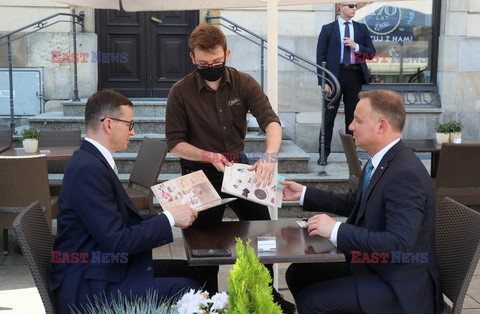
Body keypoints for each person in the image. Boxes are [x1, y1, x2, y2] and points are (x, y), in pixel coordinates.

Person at [165, 24, 295, 313]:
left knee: (263, 235)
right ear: (192, 59)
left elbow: (271, 122)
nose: (210, 68)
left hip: (240, 169)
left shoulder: (244, 83)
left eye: (216, 62)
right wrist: (208, 155)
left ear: (227, 53)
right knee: (203, 245)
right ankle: (207, 301)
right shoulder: (180, 92)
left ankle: (266, 294)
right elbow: (175, 143)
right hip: (198, 173)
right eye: (203, 64)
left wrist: (270, 157)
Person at [282, 89, 443, 313]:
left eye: (358, 120)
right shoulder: (380, 160)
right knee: (298, 274)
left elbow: (399, 244)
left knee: (311, 301)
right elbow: (355, 203)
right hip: (374, 265)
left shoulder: (406, 174)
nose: (350, 126)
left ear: (381, 126)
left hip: (399, 286)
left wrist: (336, 229)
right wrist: (305, 194)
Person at [48, 90, 200, 313]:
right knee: (188, 289)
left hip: (99, 268)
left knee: (191, 270)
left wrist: (170, 217)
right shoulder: (88, 169)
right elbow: (117, 242)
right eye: (130, 124)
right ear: (108, 125)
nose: (134, 131)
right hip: (89, 288)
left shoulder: (92, 160)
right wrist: (169, 219)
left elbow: (117, 224)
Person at [316, 3, 376, 165]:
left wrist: (356, 46)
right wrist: (324, 82)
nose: (354, 8)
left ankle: (352, 157)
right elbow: (320, 57)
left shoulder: (361, 28)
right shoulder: (328, 29)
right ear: (340, 7)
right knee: (328, 117)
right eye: (350, 5)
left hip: (354, 76)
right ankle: (323, 155)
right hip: (334, 78)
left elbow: (371, 53)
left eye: (355, 6)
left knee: (354, 118)